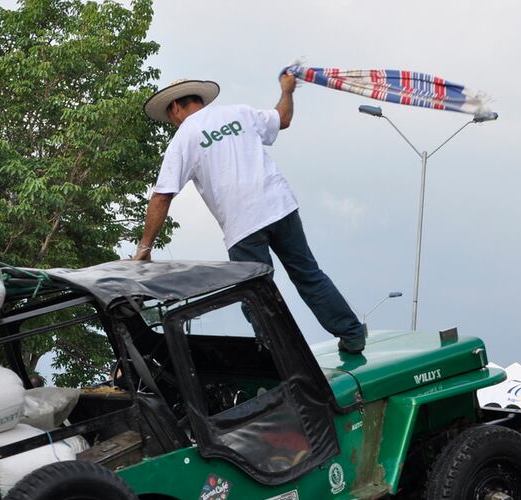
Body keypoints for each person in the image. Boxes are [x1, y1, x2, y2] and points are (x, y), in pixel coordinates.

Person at [136, 76, 367, 354]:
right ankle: (352, 334)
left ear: (175, 107)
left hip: (243, 225)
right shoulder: (239, 112)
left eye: (170, 116)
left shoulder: (185, 136)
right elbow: (282, 118)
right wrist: (287, 91)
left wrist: (144, 249)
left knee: (257, 297)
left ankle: (282, 358)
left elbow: (162, 196)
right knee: (308, 275)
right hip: (280, 206)